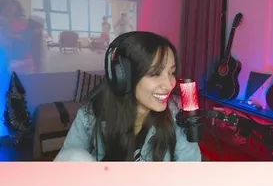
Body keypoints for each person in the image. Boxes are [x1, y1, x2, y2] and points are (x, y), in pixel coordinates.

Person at [55, 31, 201, 162]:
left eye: (171, 72)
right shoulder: (90, 114)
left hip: (156, 184)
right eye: (155, 74)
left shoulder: (176, 115)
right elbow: (67, 161)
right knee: (74, 156)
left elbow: (190, 166)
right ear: (123, 77)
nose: (169, 85)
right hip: (107, 183)